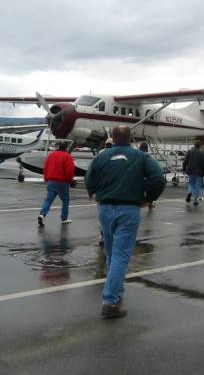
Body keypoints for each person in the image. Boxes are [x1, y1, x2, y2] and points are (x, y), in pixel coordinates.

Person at [85, 126, 165, 318]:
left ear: (112, 137)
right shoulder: (141, 157)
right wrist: (149, 197)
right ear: (131, 138)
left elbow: (89, 178)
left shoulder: (102, 156)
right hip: (128, 209)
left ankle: (116, 292)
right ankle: (110, 301)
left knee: (112, 253)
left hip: (104, 208)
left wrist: (92, 190)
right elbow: (158, 178)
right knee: (120, 255)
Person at [38, 141, 75, 227]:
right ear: (66, 148)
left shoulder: (51, 155)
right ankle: (64, 218)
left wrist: (46, 179)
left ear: (58, 147)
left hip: (51, 181)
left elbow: (45, 167)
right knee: (65, 200)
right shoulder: (67, 156)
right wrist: (69, 181)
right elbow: (69, 171)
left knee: (48, 200)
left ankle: (42, 215)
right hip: (62, 182)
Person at [182, 141, 204, 206]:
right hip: (199, 173)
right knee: (197, 186)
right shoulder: (201, 153)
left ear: (194, 145)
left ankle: (190, 191)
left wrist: (184, 169)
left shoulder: (189, 152)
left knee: (190, 183)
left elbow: (185, 162)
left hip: (190, 171)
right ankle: (196, 200)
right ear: (199, 146)